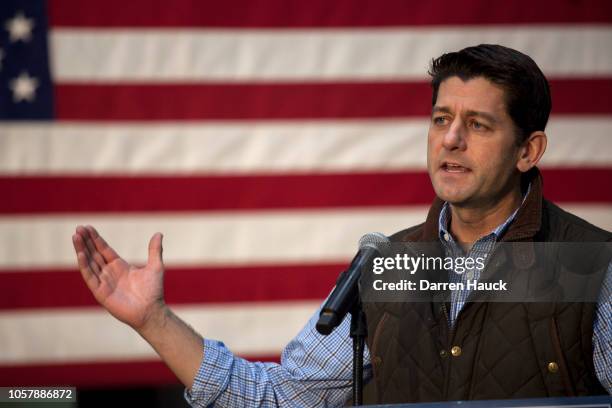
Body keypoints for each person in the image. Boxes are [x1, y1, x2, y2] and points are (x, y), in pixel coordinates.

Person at [72, 44, 611, 406]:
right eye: (441, 119)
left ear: (528, 150)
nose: (450, 140)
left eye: (478, 124)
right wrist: (154, 320)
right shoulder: (389, 268)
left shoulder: (592, 263)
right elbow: (280, 397)